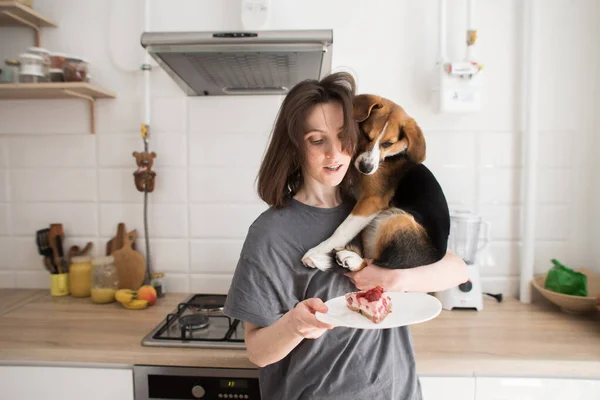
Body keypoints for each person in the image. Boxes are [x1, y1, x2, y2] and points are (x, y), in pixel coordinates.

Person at [223, 72, 468, 400]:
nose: (335, 152)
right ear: (295, 148)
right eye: (316, 139)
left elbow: (456, 269)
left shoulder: (377, 204)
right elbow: (257, 351)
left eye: (343, 136)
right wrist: (295, 325)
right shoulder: (271, 233)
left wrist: (393, 279)